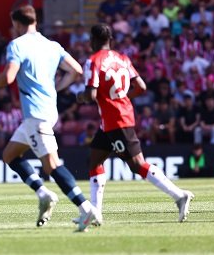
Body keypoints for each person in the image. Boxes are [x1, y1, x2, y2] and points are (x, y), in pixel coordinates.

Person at [0, 5, 99, 231]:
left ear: (17, 23)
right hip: (44, 112)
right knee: (9, 154)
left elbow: (8, 78)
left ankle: (86, 209)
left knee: (52, 165)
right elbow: (76, 71)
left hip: (36, 114)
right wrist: (57, 88)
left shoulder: (17, 45)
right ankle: (43, 193)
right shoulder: (52, 45)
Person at [78, 24, 194, 224]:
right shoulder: (123, 59)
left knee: (137, 164)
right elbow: (141, 87)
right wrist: (123, 97)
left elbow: (91, 95)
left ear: (94, 40)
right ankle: (95, 214)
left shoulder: (93, 61)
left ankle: (179, 195)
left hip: (116, 120)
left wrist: (81, 97)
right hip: (113, 119)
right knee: (95, 161)